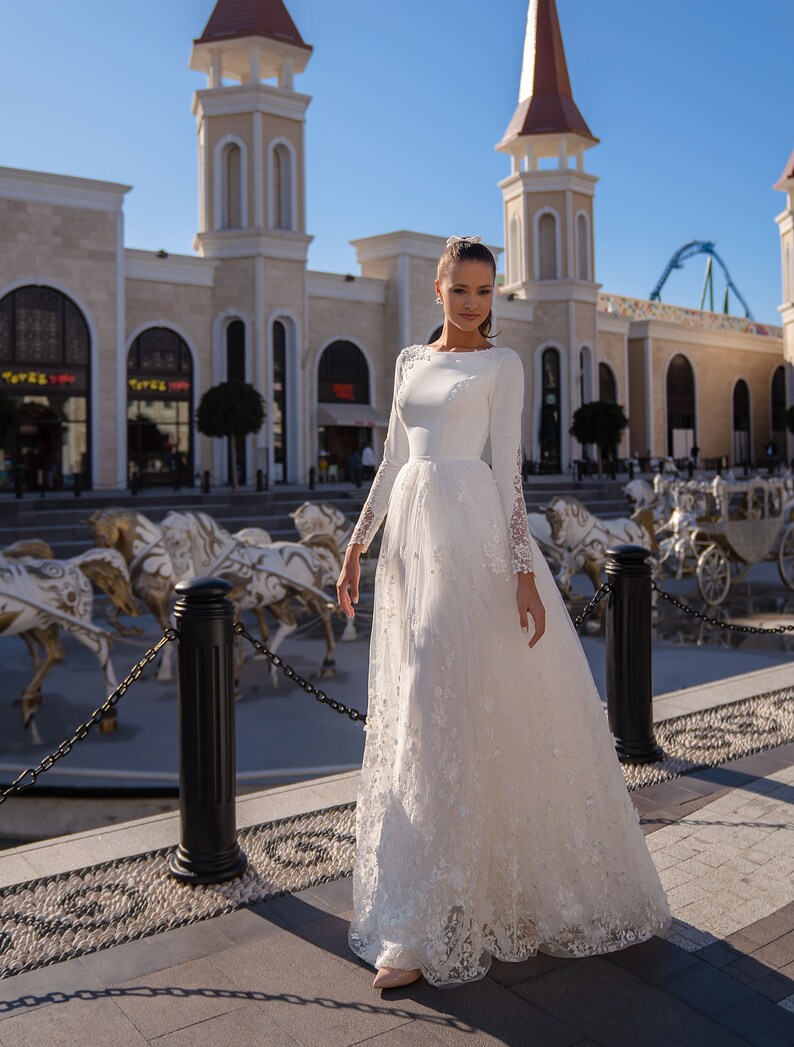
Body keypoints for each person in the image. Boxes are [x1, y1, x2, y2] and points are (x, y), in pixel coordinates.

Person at [336, 236, 672, 991]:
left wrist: (524, 570)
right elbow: (392, 460)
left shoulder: (503, 365)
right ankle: (426, 907)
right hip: (413, 551)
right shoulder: (408, 365)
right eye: (461, 289)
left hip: (475, 538)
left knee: (452, 709)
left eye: (485, 292)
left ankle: (440, 919)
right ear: (438, 288)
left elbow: (509, 471)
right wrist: (357, 545)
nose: (474, 304)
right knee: (424, 712)